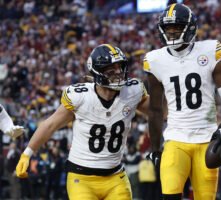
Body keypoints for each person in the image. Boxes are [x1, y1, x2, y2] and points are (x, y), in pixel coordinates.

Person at [16, 44, 150, 200]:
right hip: (82, 178)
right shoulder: (81, 96)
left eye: (120, 67)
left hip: (115, 176)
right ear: (98, 72)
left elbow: (160, 111)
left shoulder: (132, 92)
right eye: (111, 69)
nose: (119, 72)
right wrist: (27, 153)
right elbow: (50, 124)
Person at [143, 3, 221, 200]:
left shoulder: (210, 50)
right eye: (168, 28)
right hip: (176, 139)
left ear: (190, 28)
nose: (171, 33)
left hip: (207, 138)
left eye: (176, 27)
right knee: (169, 196)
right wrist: (155, 149)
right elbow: (155, 110)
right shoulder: (155, 60)